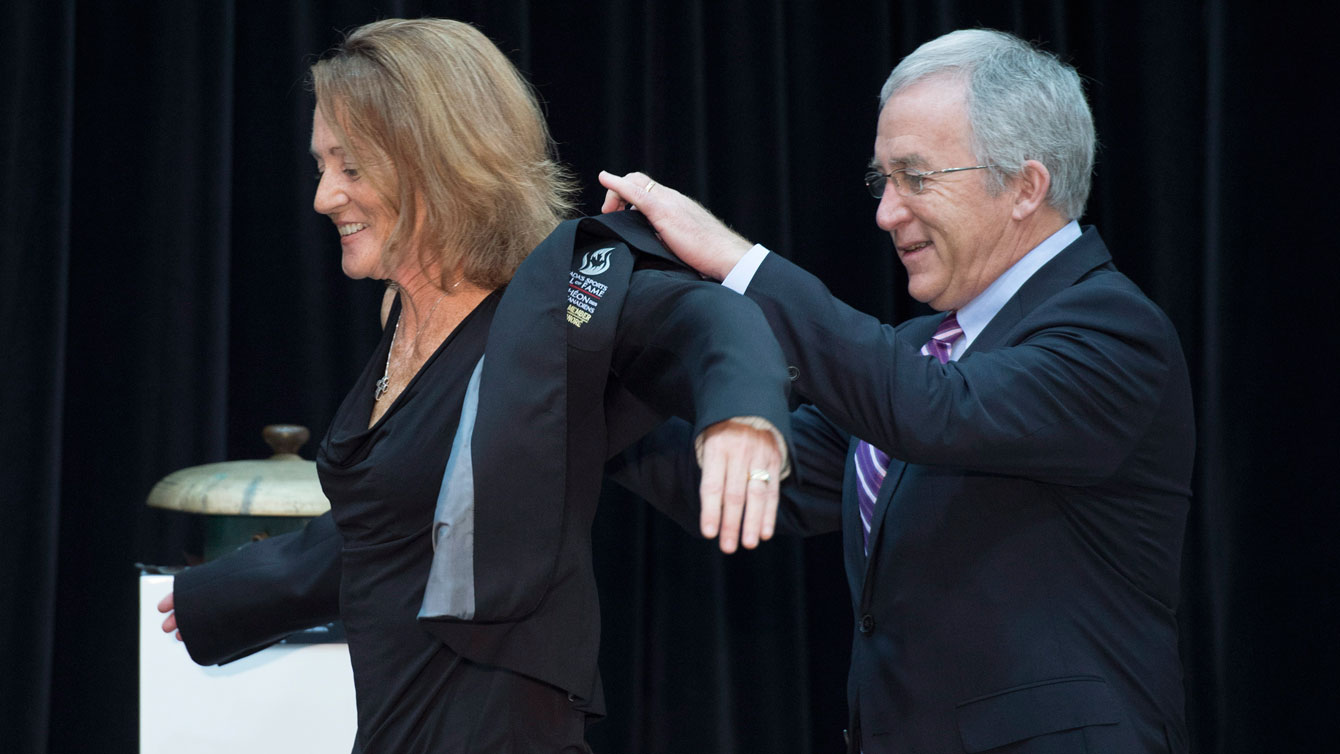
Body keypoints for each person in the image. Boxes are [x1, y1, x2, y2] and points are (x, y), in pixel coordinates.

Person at [156, 18, 792, 753]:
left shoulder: (552, 307)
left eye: (352, 167)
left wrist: (743, 415)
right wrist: (229, 596)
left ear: (440, 163)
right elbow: (393, 527)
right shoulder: (404, 322)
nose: (324, 197)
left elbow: (705, 317)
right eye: (322, 166)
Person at [602, 28, 1194, 754]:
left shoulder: (1112, 330)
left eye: (915, 178)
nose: (886, 212)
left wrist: (734, 260)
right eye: (882, 181)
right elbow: (769, 479)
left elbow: (935, 411)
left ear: (1024, 187)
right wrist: (580, 383)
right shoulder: (921, 353)